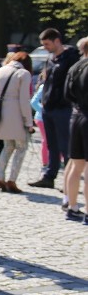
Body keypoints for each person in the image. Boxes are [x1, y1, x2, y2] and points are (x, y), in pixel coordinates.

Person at [28, 28, 80, 188]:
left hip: (63, 107)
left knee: (65, 145)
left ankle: (70, 180)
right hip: (48, 107)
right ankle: (49, 176)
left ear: (57, 41)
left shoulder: (71, 58)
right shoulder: (50, 59)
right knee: (51, 144)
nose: (45, 48)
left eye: (47, 44)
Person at [0, 52, 33, 193]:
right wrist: (29, 121)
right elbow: (24, 100)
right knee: (21, 148)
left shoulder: (1, 70)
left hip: (2, 114)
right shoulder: (23, 74)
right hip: (17, 115)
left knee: (7, 147)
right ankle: (12, 180)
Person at [62, 37, 88, 223]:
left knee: (75, 164)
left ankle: (71, 207)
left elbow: (67, 94)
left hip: (76, 116)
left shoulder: (75, 67)